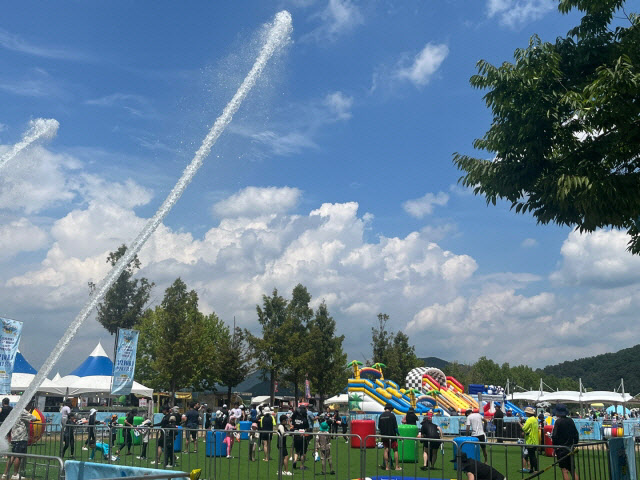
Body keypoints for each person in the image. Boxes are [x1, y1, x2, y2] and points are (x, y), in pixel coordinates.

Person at [3, 405, 36, 480]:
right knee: (18, 456)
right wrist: (31, 412)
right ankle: (15, 474)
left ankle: (5, 473)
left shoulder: (15, 411)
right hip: (21, 437)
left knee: (12, 456)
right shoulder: (23, 411)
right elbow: (34, 418)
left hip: (14, 436)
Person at [551, 404, 580, 480]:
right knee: (572, 469)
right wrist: (575, 444)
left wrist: (555, 447)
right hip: (570, 447)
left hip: (561, 449)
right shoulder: (570, 420)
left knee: (564, 470)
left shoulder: (558, 422)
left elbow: (554, 436)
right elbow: (576, 434)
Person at [378, 403, 401, 471]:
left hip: (384, 436)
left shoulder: (381, 416)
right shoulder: (392, 415)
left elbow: (379, 427)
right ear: (390, 409)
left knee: (386, 450)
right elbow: (395, 427)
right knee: (395, 450)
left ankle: (387, 467)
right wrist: (398, 434)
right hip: (392, 435)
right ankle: (397, 467)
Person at [291, 406, 310, 470]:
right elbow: (307, 427)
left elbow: (293, 424)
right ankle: (302, 465)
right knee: (303, 452)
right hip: (302, 436)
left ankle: (295, 461)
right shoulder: (304, 419)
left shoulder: (295, 419)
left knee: (297, 451)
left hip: (296, 435)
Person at [522, 406, 539, 473]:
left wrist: (520, 424)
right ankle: (532, 469)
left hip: (530, 440)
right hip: (535, 440)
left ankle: (536, 469)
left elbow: (524, 428)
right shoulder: (535, 419)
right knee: (532, 456)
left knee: (532, 456)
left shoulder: (529, 420)